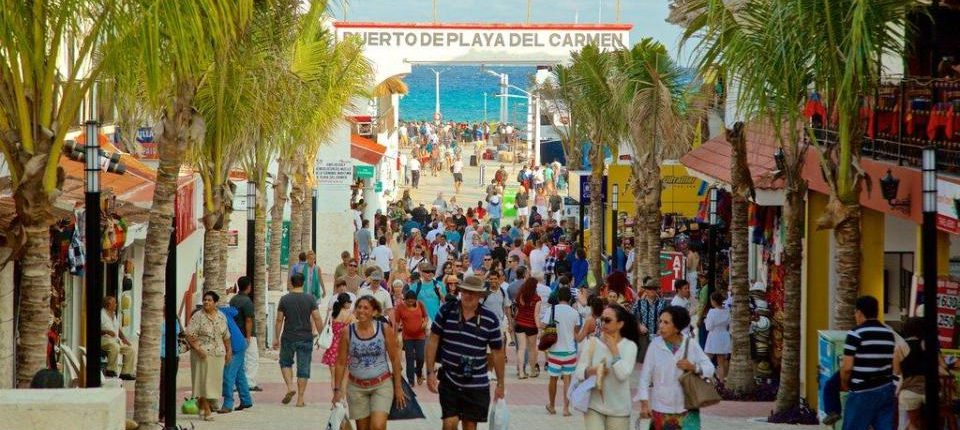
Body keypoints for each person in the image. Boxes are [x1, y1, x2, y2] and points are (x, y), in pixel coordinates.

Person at [426, 276, 506, 430]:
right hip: (449, 378)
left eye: (473, 293)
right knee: (449, 423)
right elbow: (433, 339)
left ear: (480, 296)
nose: (468, 296)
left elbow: (497, 352)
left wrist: (501, 384)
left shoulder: (490, 319)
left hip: (476, 382)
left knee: (470, 426)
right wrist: (430, 372)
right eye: (465, 291)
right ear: (460, 291)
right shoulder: (447, 310)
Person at [333, 296, 407, 430]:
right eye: (359, 307)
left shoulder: (384, 329)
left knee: (378, 426)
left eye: (366, 308)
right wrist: (337, 390)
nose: (361, 311)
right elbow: (340, 363)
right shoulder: (347, 332)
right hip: (356, 388)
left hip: (381, 385)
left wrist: (398, 387)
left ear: (374, 312)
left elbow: (395, 359)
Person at [638, 305, 715, 430]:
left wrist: (693, 367)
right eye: (660, 321)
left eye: (666, 322)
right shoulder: (655, 345)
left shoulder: (690, 344)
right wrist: (644, 403)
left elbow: (710, 369)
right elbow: (645, 377)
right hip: (661, 409)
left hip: (687, 410)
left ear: (677, 327)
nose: (661, 325)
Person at [573, 304, 640, 430]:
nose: (603, 323)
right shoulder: (592, 342)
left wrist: (614, 351)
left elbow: (623, 375)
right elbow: (579, 372)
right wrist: (591, 371)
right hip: (594, 406)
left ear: (620, 324)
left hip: (619, 410)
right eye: (602, 319)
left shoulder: (630, 346)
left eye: (608, 320)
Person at [839, 295, 897, 430]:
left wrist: (844, 384)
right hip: (886, 388)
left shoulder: (856, 333)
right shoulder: (889, 333)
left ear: (859, 312)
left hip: (862, 390)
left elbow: (847, 368)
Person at [273, 274, 323, 407]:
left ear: (291, 283)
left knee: (285, 362)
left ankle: (290, 387)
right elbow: (317, 318)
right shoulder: (310, 298)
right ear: (303, 283)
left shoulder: (284, 299)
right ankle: (300, 399)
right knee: (303, 367)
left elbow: (279, 320)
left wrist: (276, 338)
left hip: (288, 336)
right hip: (305, 337)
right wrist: (322, 334)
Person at [185, 291, 232, 421]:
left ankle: (203, 404)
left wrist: (229, 351)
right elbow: (189, 334)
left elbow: (226, 335)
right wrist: (197, 349)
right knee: (202, 382)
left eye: (210, 300)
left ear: (215, 303)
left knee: (213, 382)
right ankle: (206, 409)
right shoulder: (197, 316)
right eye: (205, 300)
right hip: (202, 354)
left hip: (218, 354)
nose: (206, 302)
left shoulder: (221, 316)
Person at [542, 286, 582, 416]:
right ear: (570, 298)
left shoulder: (551, 310)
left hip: (554, 351)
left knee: (553, 379)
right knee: (567, 380)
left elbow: (542, 325)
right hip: (570, 350)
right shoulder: (575, 313)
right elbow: (576, 332)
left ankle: (552, 406)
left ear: (558, 297)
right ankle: (566, 408)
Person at [218, 303, 250, 413]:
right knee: (239, 375)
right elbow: (235, 311)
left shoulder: (218, 316)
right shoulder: (225, 311)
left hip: (235, 347)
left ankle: (227, 404)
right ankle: (246, 400)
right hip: (240, 343)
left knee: (228, 375)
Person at [230, 276, 260, 393]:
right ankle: (249, 383)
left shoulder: (233, 300)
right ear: (249, 287)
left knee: (238, 358)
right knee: (252, 358)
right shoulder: (247, 301)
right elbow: (248, 320)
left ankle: (235, 383)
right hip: (247, 335)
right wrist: (248, 336)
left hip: (236, 333)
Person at [322, 293, 355, 391]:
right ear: (345, 303)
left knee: (333, 377)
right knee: (344, 378)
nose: (350, 304)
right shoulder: (349, 315)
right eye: (349, 302)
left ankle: (335, 400)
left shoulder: (333, 313)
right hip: (344, 347)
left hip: (333, 346)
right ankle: (342, 399)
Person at [395, 290, 429, 385]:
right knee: (409, 358)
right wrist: (395, 336)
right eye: (408, 301)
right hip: (407, 337)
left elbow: (426, 317)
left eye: (412, 301)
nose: (410, 303)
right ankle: (411, 381)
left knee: (420, 357)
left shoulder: (420, 305)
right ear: (405, 300)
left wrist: (425, 323)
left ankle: (418, 373)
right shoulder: (400, 307)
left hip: (420, 336)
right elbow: (396, 322)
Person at [101, 295, 136, 380]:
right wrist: (106, 331)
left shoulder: (113, 314)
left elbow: (118, 329)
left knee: (130, 350)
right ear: (108, 304)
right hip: (104, 340)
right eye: (114, 303)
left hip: (115, 340)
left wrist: (124, 339)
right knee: (114, 347)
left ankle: (126, 373)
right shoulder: (101, 314)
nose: (116, 305)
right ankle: (111, 370)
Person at [514, 277, 542, 379]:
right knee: (532, 349)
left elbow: (517, 310)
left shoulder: (520, 296)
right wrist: (539, 328)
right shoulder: (537, 299)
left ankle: (521, 372)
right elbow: (536, 315)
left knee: (521, 349)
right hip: (531, 326)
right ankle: (533, 371)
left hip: (519, 324)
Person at [633, 278, 666, 364]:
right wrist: (639, 325)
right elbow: (631, 317)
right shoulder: (639, 303)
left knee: (658, 362)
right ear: (646, 290)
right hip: (643, 337)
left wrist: (662, 329)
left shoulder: (663, 303)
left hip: (659, 337)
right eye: (649, 288)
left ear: (657, 290)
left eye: (654, 288)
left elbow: (668, 318)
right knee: (643, 362)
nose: (652, 290)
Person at [703, 292, 731, 384]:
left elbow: (708, 327)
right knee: (721, 362)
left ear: (714, 301)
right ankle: (721, 382)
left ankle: (706, 380)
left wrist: (706, 320)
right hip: (724, 336)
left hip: (714, 336)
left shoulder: (712, 312)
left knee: (706, 359)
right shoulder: (727, 311)